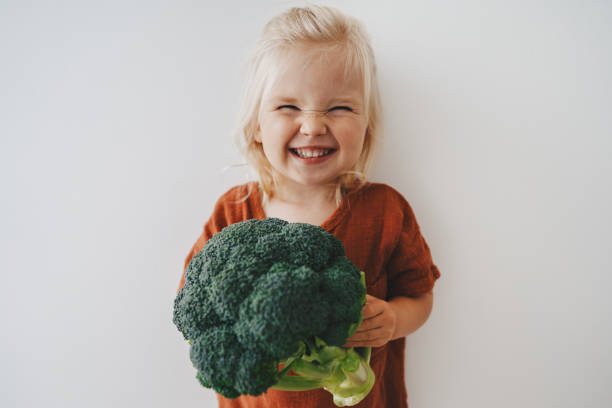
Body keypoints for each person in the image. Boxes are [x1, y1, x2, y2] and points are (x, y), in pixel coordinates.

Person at [177, 5, 440, 408]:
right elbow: (195, 304)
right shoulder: (233, 212)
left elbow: (419, 297)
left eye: (339, 108)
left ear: (366, 124)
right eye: (288, 107)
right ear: (256, 126)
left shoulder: (385, 211)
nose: (313, 125)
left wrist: (392, 320)